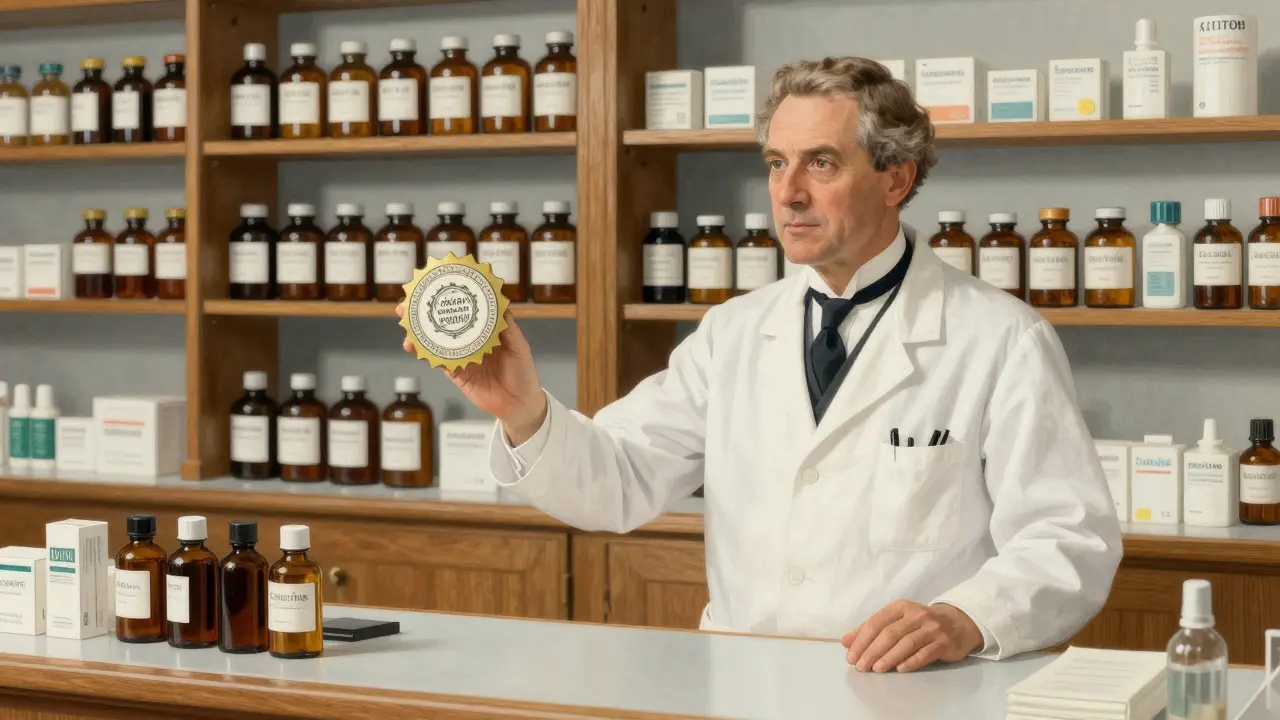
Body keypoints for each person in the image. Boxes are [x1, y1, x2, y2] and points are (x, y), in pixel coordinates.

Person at [397, 56, 1122, 673]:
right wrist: (522, 409)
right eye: (777, 163)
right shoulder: (733, 333)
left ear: (895, 179)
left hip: (913, 697)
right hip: (747, 687)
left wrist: (964, 617)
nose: (788, 192)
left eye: (822, 164)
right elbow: (616, 483)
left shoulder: (999, 338)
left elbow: (1069, 540)